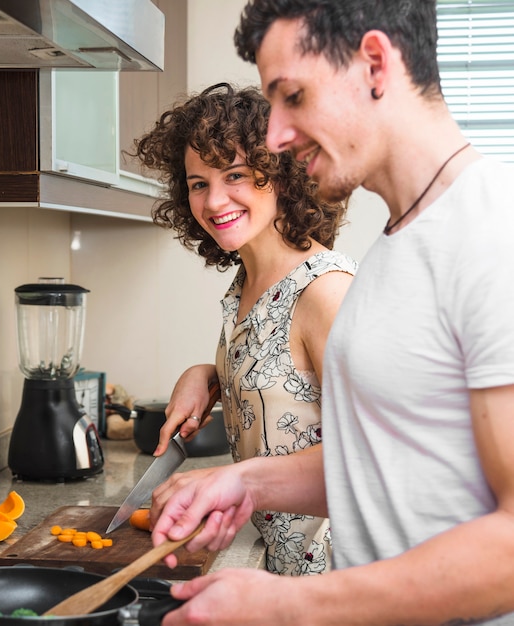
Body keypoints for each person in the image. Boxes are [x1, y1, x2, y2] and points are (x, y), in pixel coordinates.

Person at [149, 1, 514, 625]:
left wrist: (296, 606)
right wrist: (247, 483)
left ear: (375, 63)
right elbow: (385, 470)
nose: (277, 137)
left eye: (293, 97)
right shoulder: (395, 248)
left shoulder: (491, 237)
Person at [131, 81, 356, 576]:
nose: (213, 201)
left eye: (235, 175)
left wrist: (229, 479)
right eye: (197, 183)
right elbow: (285, 384)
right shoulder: (249, 284)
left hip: (336, 582)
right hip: (278, 574)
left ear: (282, 177)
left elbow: (371, 458)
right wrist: (207, 373)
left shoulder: (326, 293)